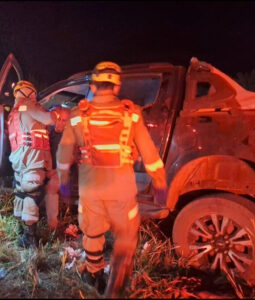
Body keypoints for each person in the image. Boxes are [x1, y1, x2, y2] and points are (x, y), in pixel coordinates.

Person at [56, 61, 167, 297]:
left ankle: (94, 273)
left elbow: (63, 155)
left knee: (92, 234)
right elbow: (150, 154)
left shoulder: (77, 117)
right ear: (117, 88)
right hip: (122, 192)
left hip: (90, 192)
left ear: (94, 87)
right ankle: (117, 280)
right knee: (126, 236)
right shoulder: (132, 115)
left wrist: (64, 183)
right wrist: (160, 184)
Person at [7, 80, 64, 248]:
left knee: (21, 192)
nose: (35, 97)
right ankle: (30, 237)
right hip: (33, 157)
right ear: (28, 94)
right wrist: (57, 112)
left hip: (19, 159)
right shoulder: (30, 105)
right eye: (33, 94)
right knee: (32, 193)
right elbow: (48, 119)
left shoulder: (13, 113)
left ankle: (20, 229)